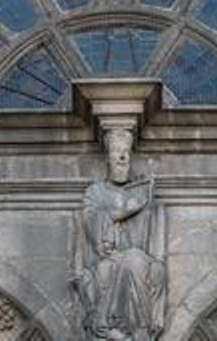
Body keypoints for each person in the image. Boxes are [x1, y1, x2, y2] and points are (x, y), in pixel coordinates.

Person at [75, 127, 166, 340]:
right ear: (108, 158)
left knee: (144, 264)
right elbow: (91, 221)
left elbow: (153, 228)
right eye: (117, 151)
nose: (123, 157)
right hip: (106, 256)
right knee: (125, 263)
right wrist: (127, 211)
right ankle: (122, 329)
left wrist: (146, 205)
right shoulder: (95, 192)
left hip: (133, 255)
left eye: (126, 152)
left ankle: (137, 329)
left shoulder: (141, 190)